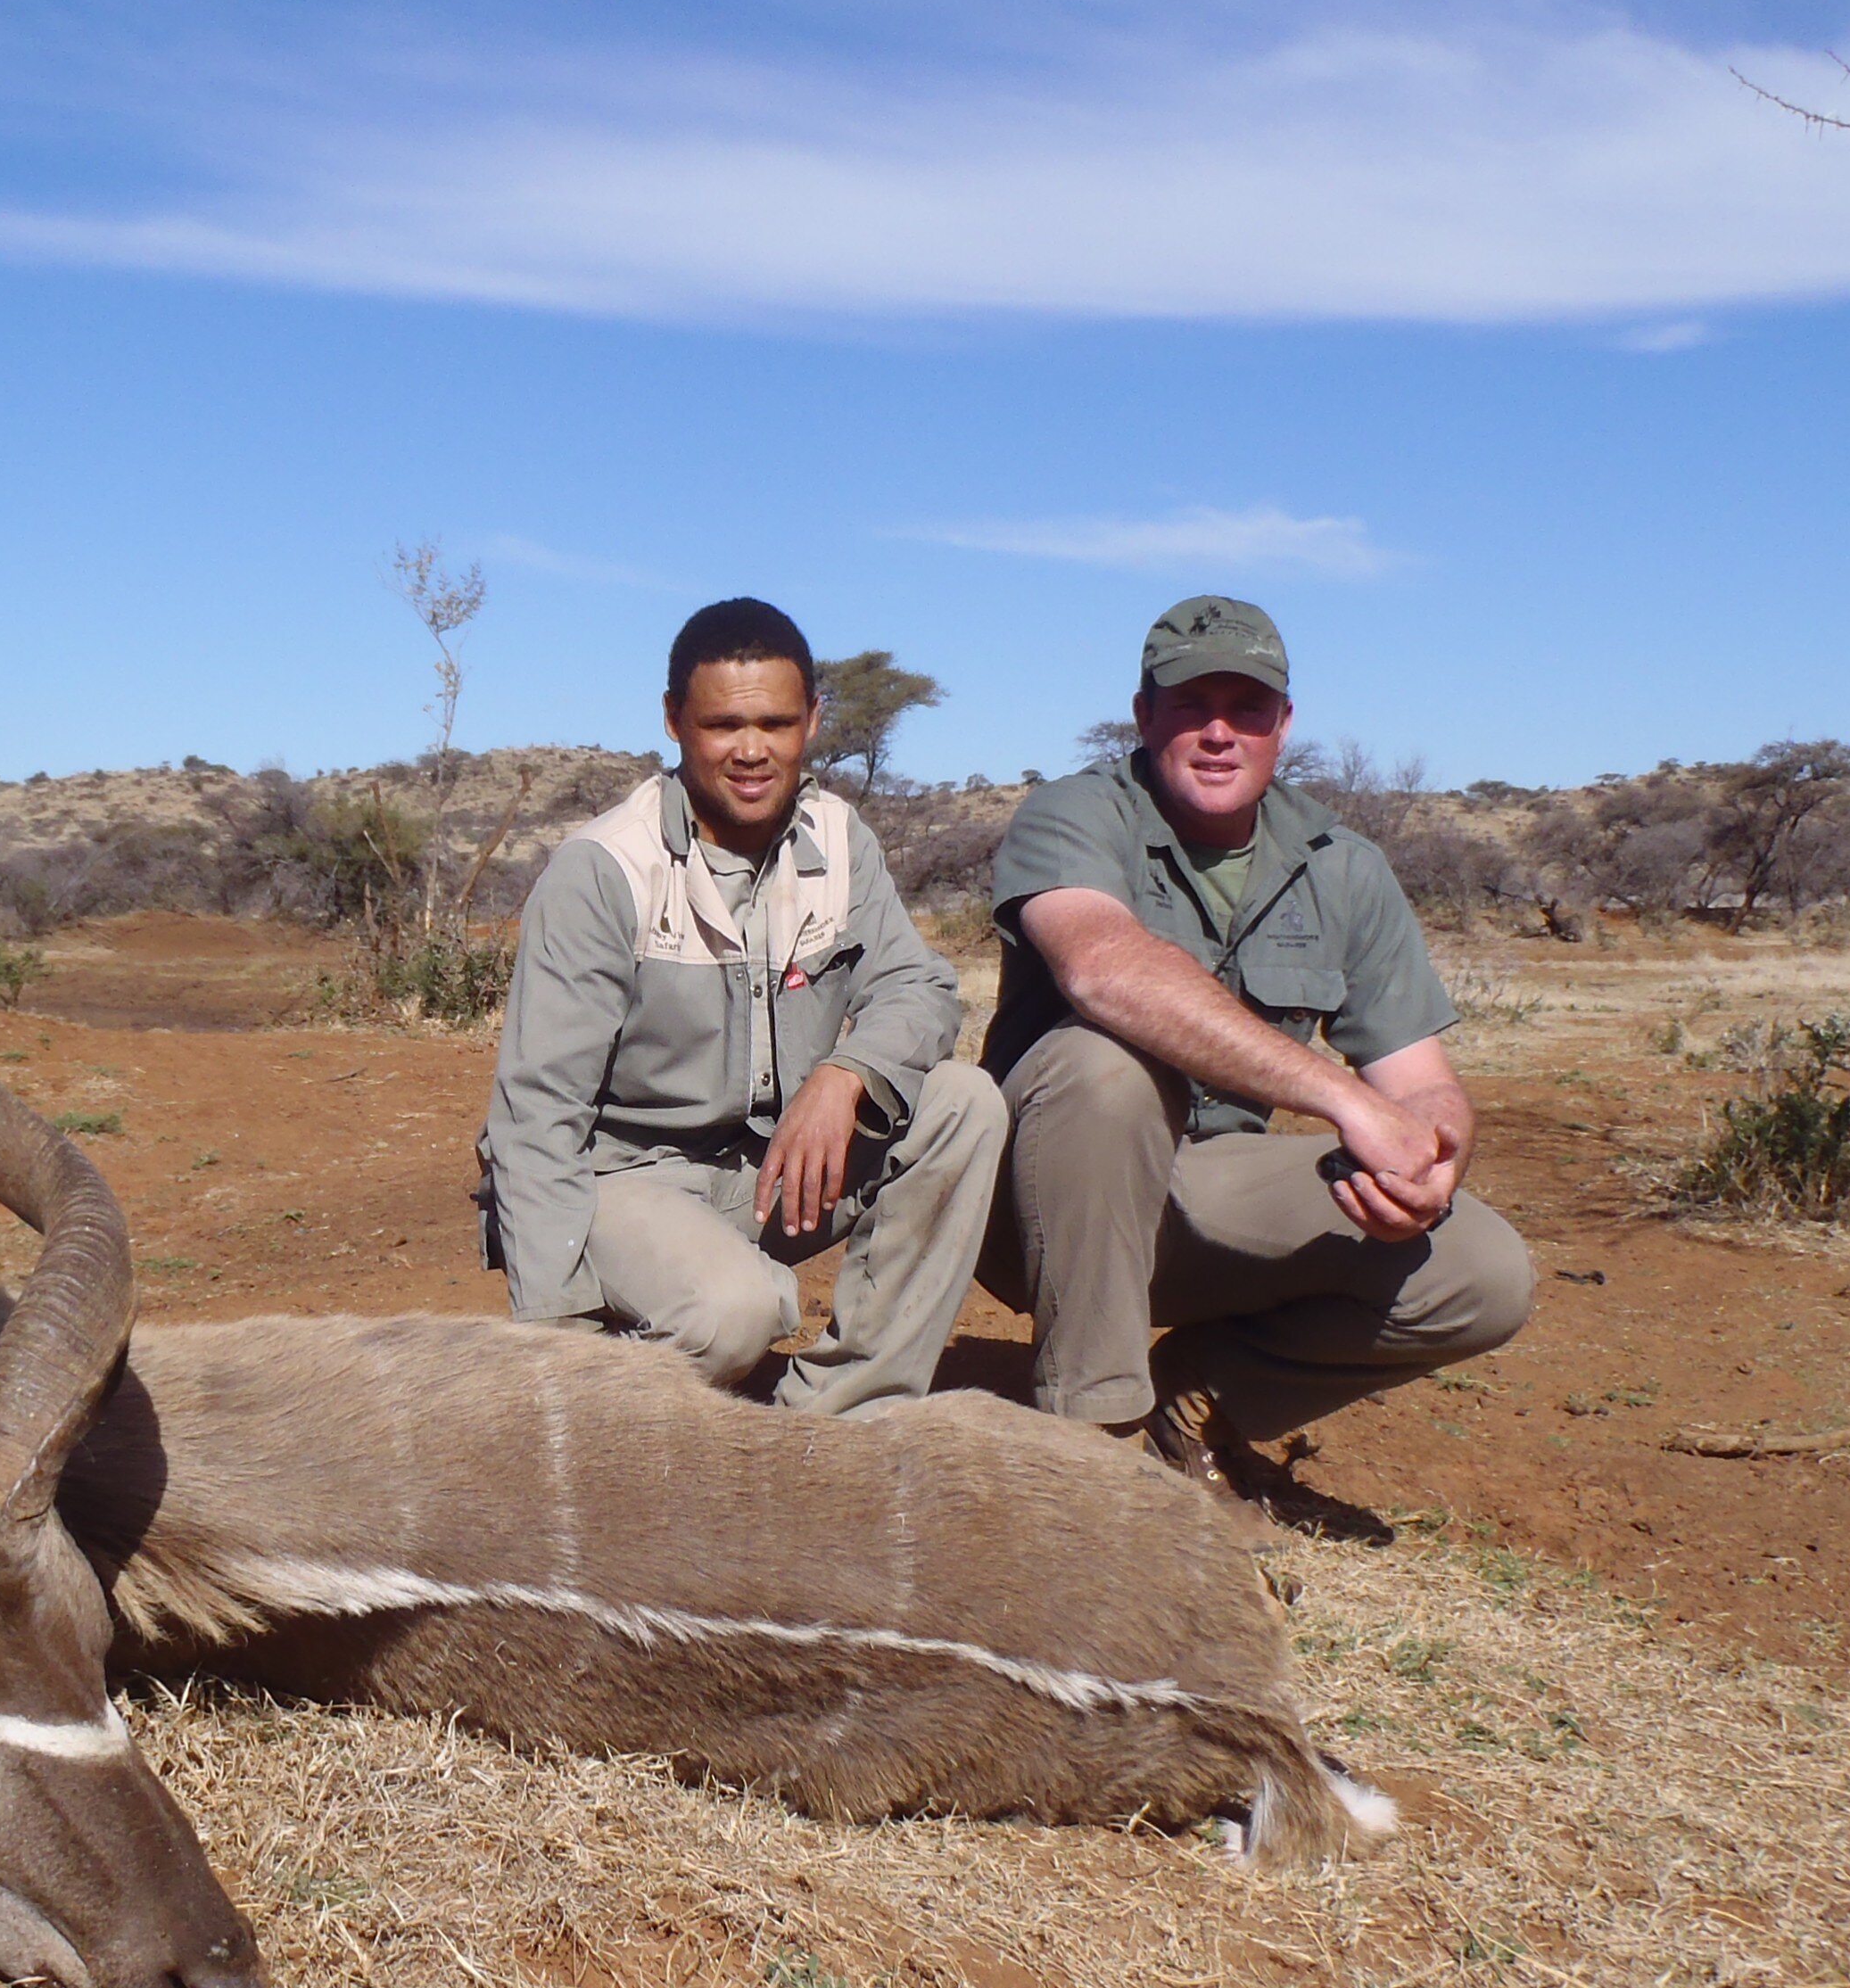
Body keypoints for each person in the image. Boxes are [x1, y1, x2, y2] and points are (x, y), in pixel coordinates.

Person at [978, 593, 1532, 1485]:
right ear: (1144, 715)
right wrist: (1346, 1102)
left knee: (1482, 1273)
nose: (1218, 733)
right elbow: (1101, 971)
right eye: (1190, 706)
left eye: (1248, 709)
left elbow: (1420, 1078)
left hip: (1207, 1193)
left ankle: (1195, 1402)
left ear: (1284, 724)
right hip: (1035, 1207)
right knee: (1102, 1063)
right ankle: (1090, 1459)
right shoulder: (1072, 814)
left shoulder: (1342, 864)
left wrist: (1433, 1155)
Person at [481, 598, 1003, 1411]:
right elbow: (536, 1115)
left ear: (814, 721)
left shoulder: (839, 841)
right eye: (724, 726)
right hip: (628, 1182)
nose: (753, 751)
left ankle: (838, 1425)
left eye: (777, 723)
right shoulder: (603, 870)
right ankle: (615, 1412)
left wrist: (847, 1074)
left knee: (964, 1103)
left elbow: (921, 986)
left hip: (774, 1171)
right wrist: (559, 1337)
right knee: (732, 1314)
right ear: (674, 721)